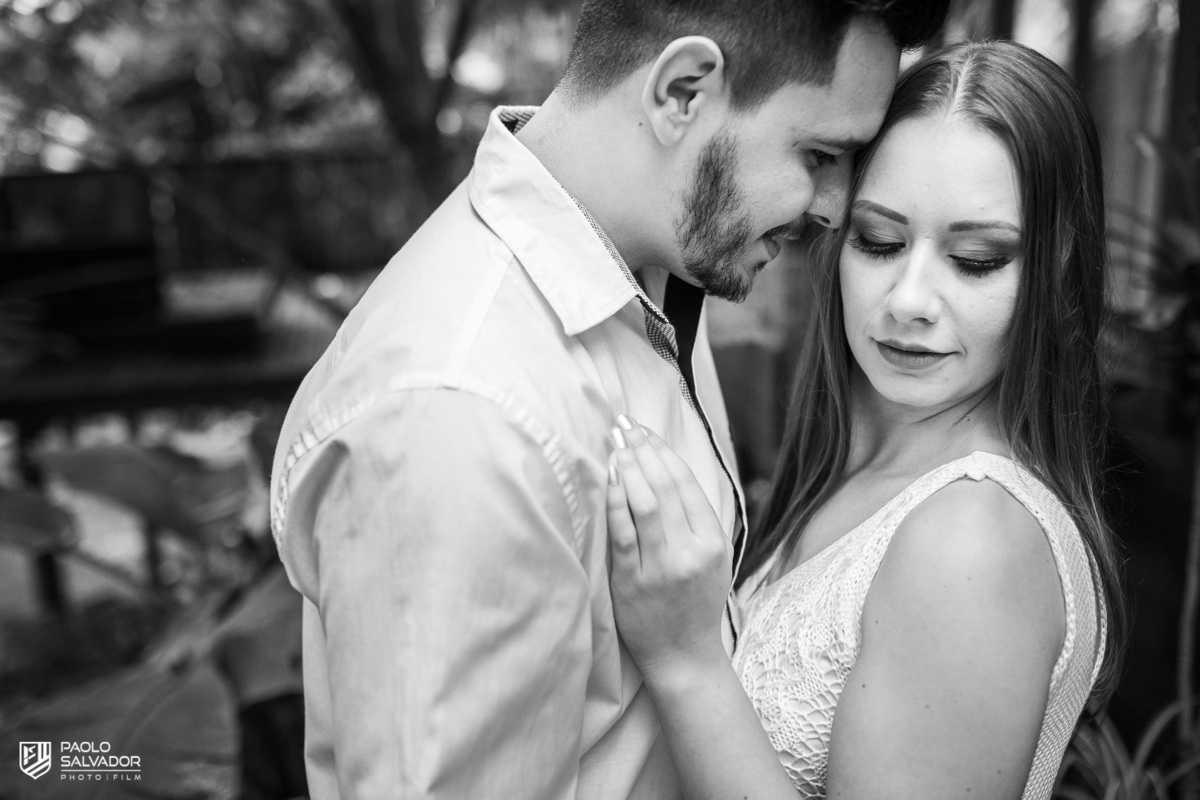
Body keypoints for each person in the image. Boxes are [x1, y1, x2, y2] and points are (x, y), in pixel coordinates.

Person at [269, 1, 949, 797]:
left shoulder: (651, 260)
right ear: (683, 91)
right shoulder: (463, 416)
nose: (833, 206)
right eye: (820, 152)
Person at [606, 40, 1124, 800]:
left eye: (976, 258)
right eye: (878, 241)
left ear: (1056, 267)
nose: (908, 300)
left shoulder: (971, 539)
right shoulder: (861, 465)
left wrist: (686, 657)